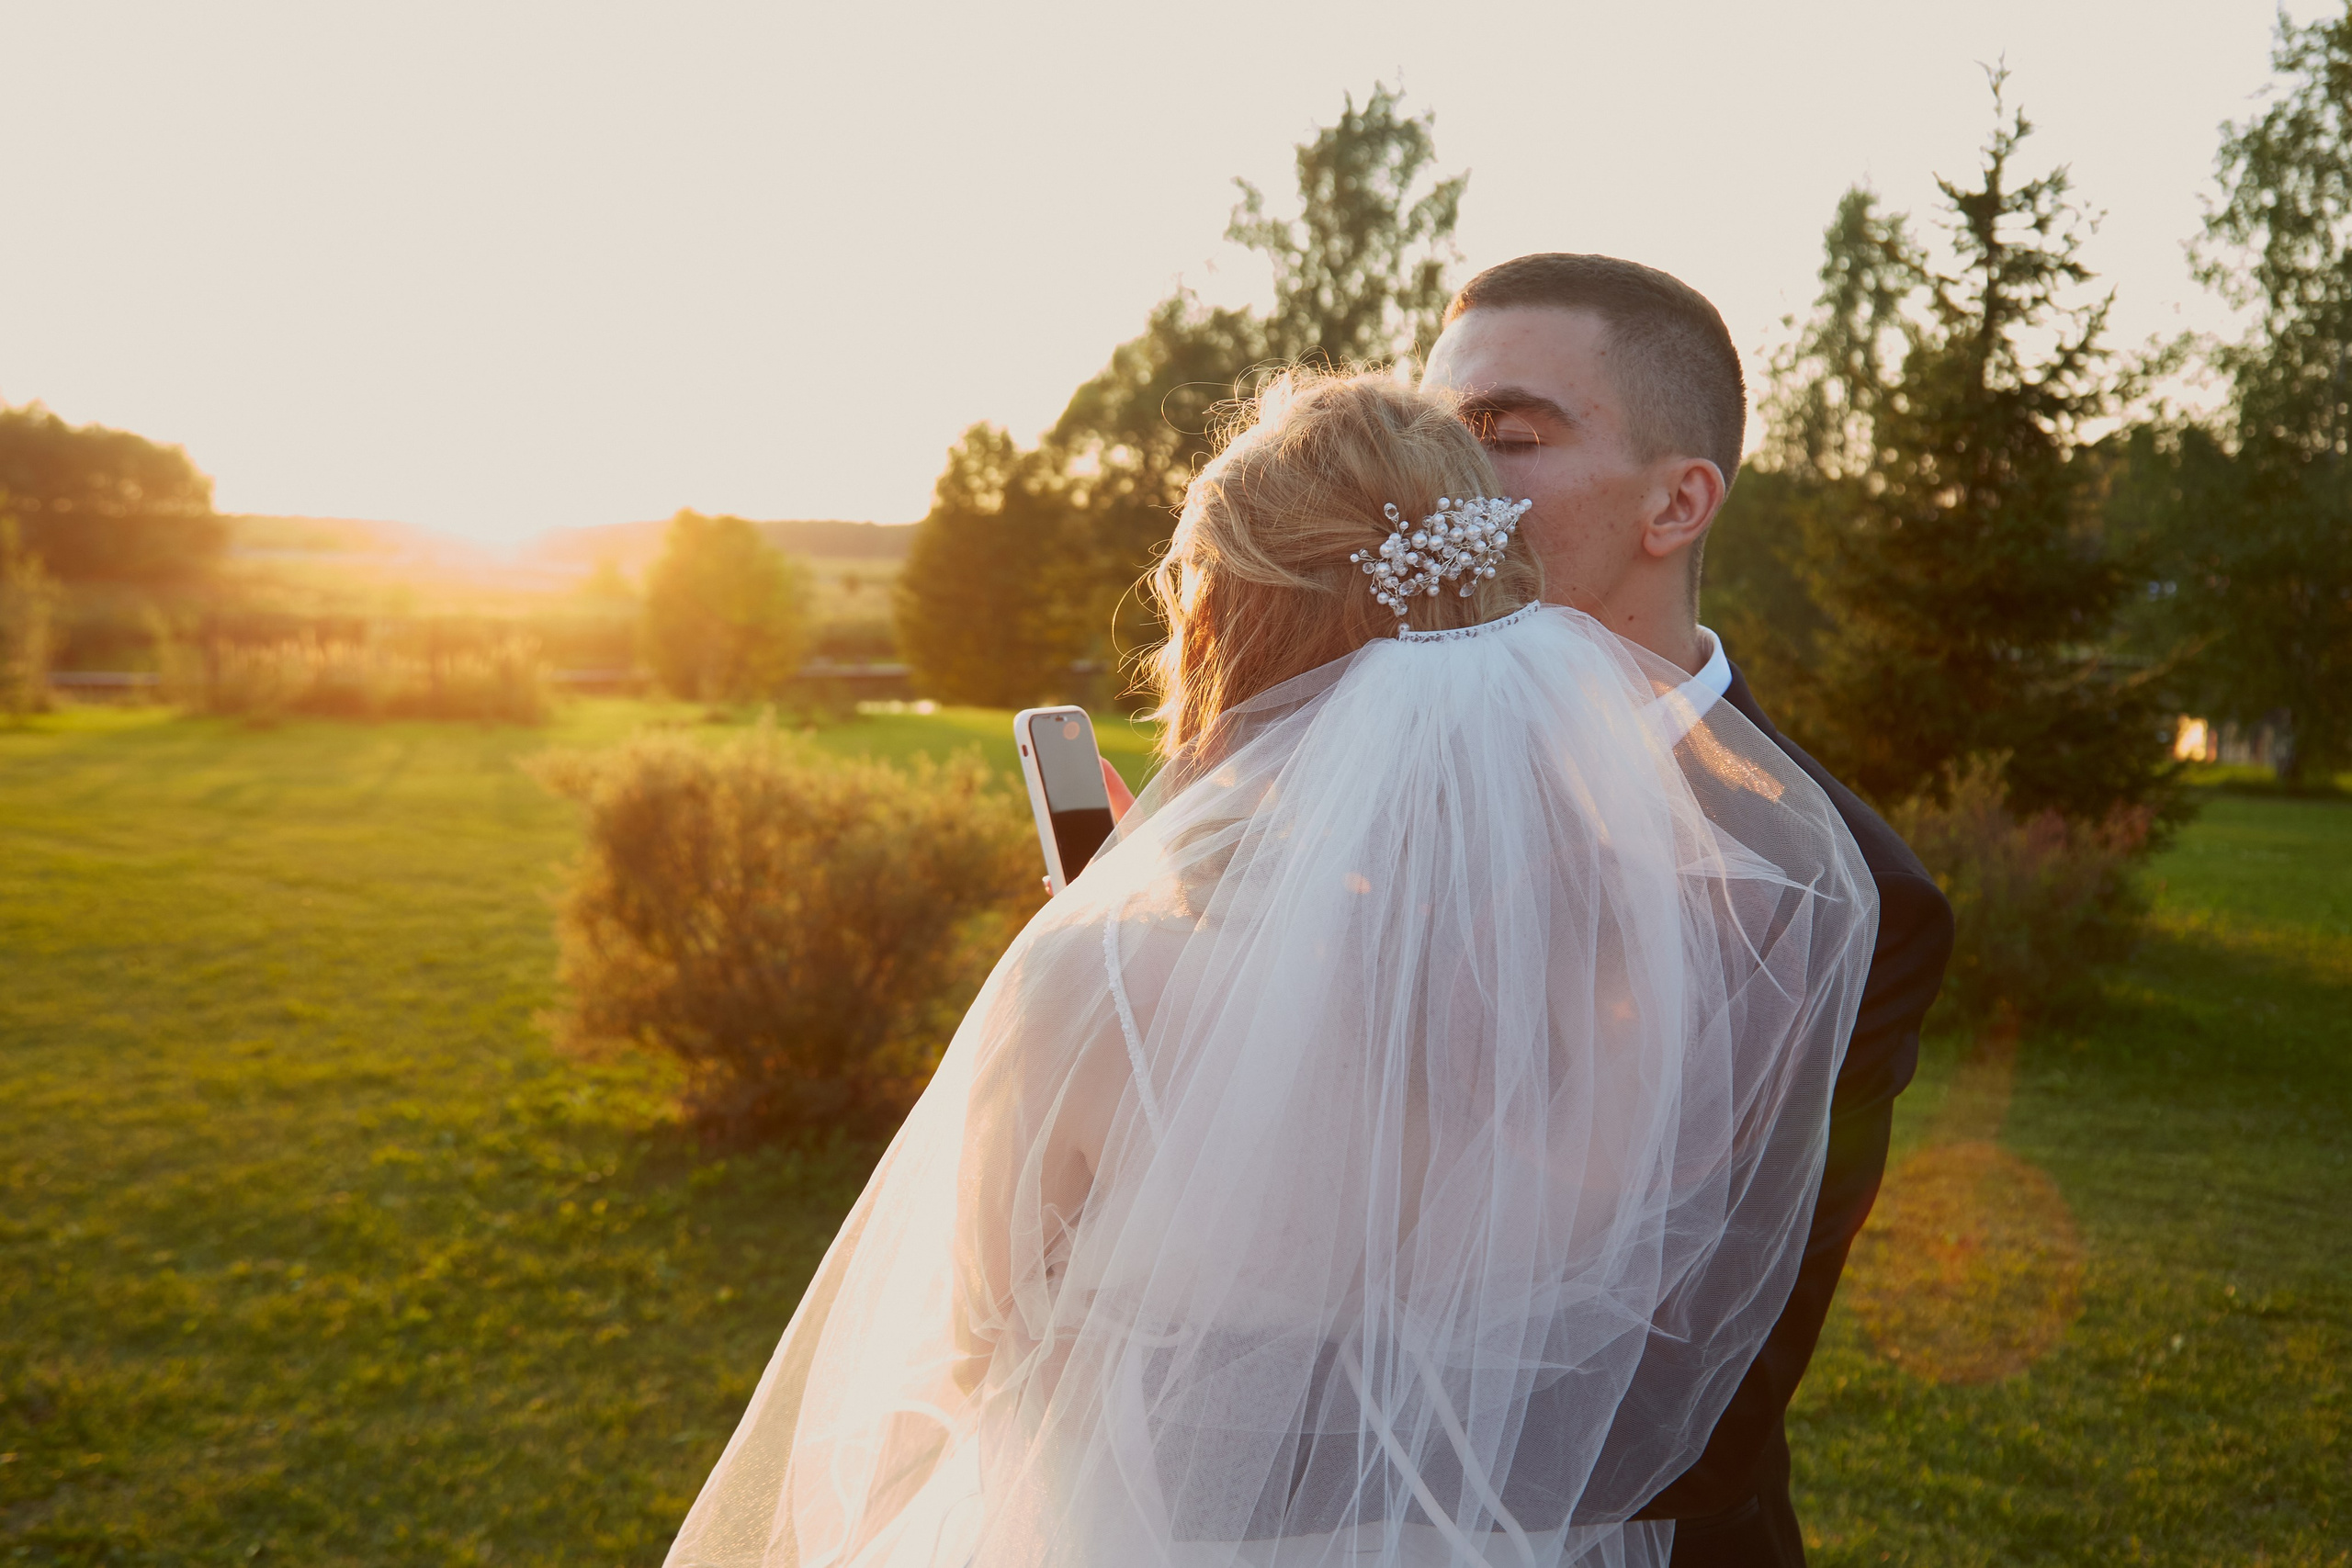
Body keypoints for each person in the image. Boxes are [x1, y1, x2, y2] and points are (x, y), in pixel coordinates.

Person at [664, 370, 1882, 1568]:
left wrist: (1110, 921)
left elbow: (977, 1345)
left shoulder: (1100, 986)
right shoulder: (1637, 966)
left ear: (1218, 642)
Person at [1422, 253, 1956, 1566]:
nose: (1440, 482)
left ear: (1678, 502)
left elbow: (1692, 1385)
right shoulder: (1359, 800)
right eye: (1432, 437)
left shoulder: (1851, 897)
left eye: (1503, 436)